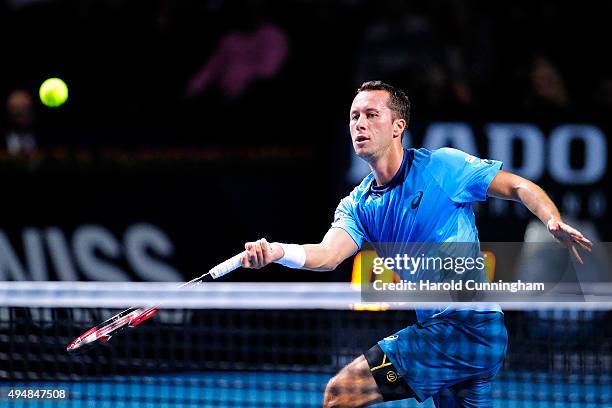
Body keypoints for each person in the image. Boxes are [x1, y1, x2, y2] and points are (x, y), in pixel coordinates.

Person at [240, 80, 592, 407]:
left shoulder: (442, 167)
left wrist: (550, 219)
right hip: (457, 336)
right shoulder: (358, 205)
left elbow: (517, 186)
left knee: (339, 392)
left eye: (371, 115)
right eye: (354, 116)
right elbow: (328, 254)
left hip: (467, 328)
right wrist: (277, 252)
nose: (359, 123)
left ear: (398, 127)